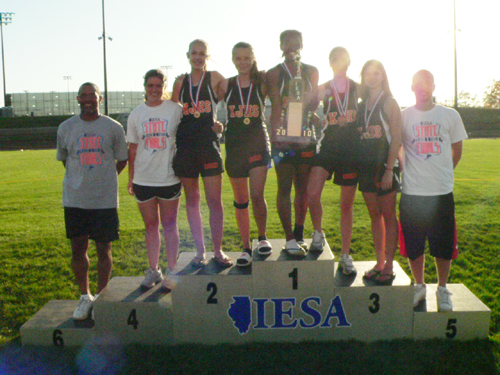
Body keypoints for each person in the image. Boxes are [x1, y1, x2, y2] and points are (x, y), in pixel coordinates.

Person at [56, 82, 128, 320]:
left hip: (104, 199)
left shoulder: (113, 127)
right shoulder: (66, 128)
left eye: (92, 95)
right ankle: (84, 296)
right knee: (78, 249)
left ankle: (101, 297)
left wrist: (103, 179)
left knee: (103, 248)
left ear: (100, 98)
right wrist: (81, 180)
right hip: (75, 199)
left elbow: (121, 160)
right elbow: (65, 159)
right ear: (78, 99)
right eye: (83, 95)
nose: (88, 99)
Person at [400, 70, 467, 311]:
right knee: (414, 244)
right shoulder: (403, 116)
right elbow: (397, 148)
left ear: (434, 86)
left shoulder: (449, 115)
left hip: (440, 193)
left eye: (426, 83)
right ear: (412, 87)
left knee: (443, 245)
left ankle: (442, 288)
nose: (422, 88)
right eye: (418, 84)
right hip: (412, 193)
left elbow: (456, 151)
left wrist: (442, 174)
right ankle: (419, 285)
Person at [171, 39, 233, 267]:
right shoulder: (180, 82)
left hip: (209, 145)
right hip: (186, 146)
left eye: (202, 53)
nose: (198, 57)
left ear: (208, 56)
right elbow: (172, 112)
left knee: (214, 201)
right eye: (194, 53)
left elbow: (233, 99)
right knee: (193, 201)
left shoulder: (215, 78)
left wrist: (221, 124)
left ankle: (218, 250)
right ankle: (200, 251)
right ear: (188, 55)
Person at [127, 69, 183, 291]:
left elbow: (193, 128)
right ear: (144, 87)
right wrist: (131, 178)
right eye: (150, 85)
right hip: (143, 178)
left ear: (164, 87)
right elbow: (132, 148)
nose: (154, 90)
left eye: (158, 86)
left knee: (170, 225)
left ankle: (172, 270)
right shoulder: (136, 114)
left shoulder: (175, 110)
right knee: (151, 226)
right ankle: (154, 270)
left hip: (168, 177)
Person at [266, 30, 319, 257]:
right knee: (284, 187)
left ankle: (299, 233)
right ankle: (288, 239)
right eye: (287, 43)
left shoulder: (312, 71)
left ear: (302, 45)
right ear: (280, 46)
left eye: (295, 43)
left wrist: (311, 115)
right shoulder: (274, 74)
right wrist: (275, 140)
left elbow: (314, 102)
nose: (291, 47)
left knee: (303, 189)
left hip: (305, 136)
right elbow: (276, 108)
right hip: (283, 138)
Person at [219, 42, 272, 267]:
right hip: (235, 146)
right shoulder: (226, 84)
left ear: (253, 58)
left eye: (247, 57)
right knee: (241, 201)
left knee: (257, 195)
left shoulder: (263, 80)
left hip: (258, 143)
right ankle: (245, 248)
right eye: (238, 58)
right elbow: (203, 99)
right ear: (233, 60)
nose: (243, 62)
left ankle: (262, 238)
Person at [307, 47, 358, 273]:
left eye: (343, 59)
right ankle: (318, 233)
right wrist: (313, 116)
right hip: (327, 146)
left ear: (348, 62)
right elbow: (304, 106)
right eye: (335, 59)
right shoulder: (323, 88)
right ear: (330, 63)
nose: (339, 63)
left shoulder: (358, 87)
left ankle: (346, 255)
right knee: (312, 193)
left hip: (350, 151)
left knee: (346, 206)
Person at [357, 60, 402, 284]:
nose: (372, 77)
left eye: (376, 73)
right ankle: (379, 262)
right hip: (366, 169)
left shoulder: (389, 102)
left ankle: (390, 265)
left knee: (388, 216)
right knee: (375, 216)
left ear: (383, 75)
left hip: (385, 168)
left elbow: (397, 139)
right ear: (363, 76)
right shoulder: (362, 104)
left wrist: (388, 170)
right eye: (368, 74)